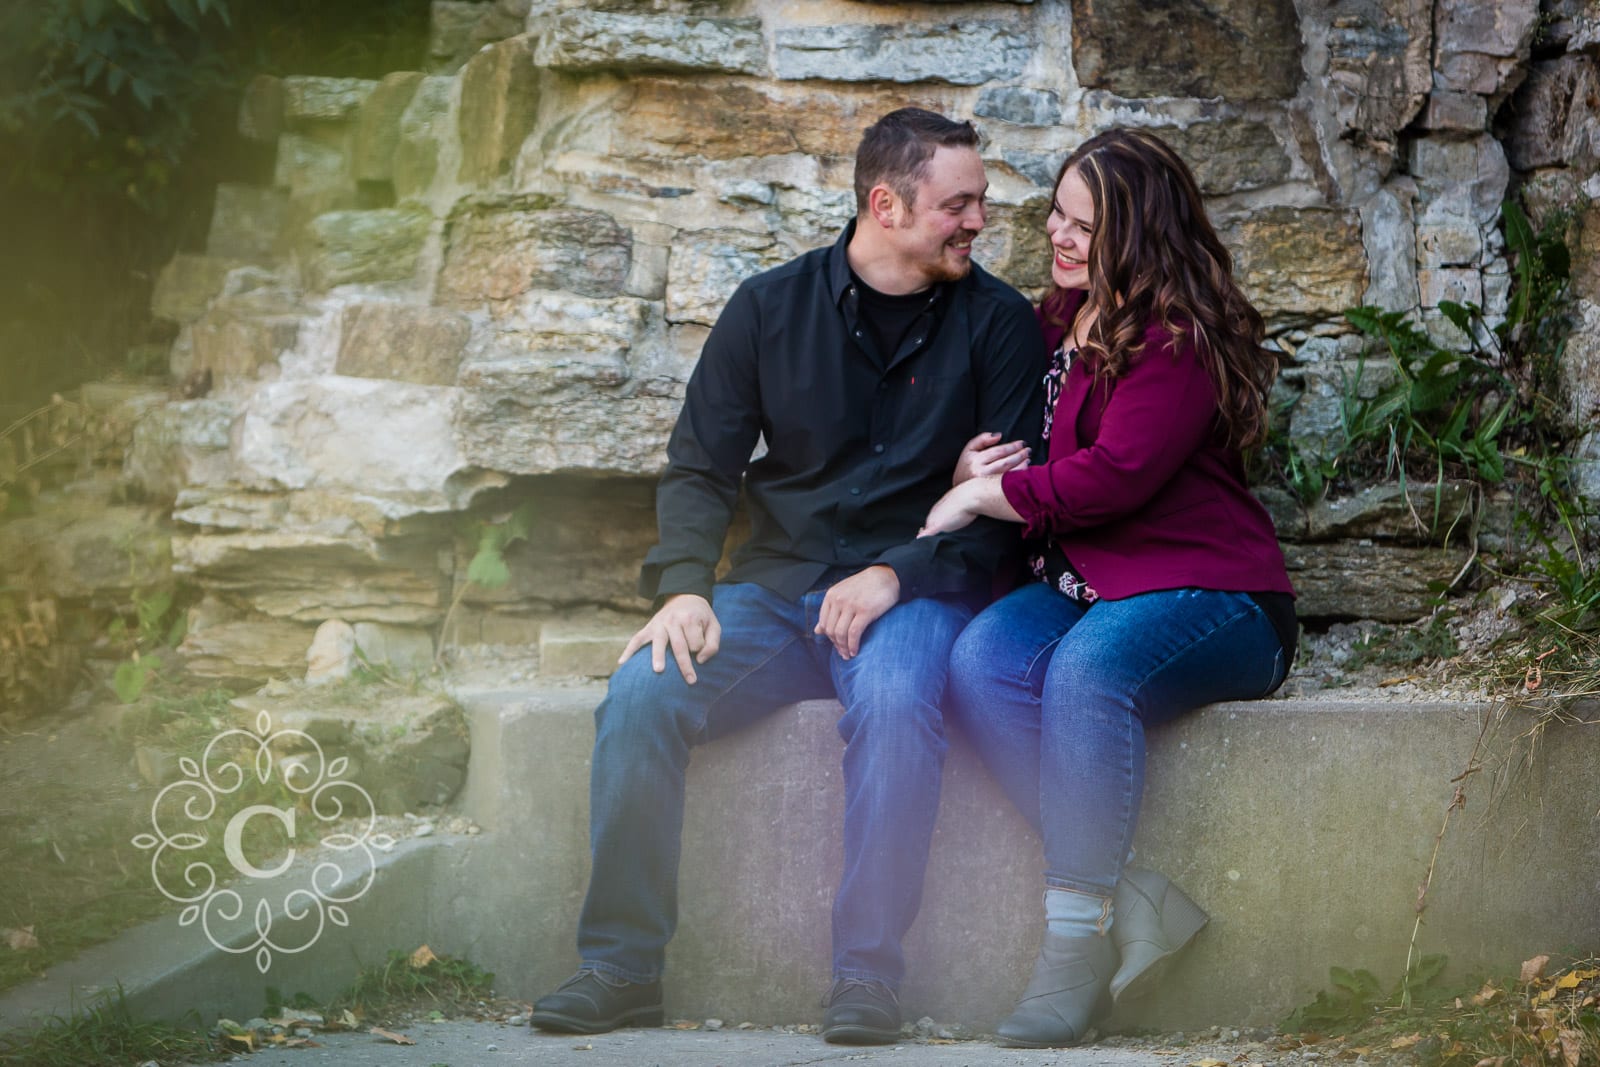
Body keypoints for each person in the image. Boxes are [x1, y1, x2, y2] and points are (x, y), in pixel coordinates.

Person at [529, 107, 1046, 1045]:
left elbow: (1010, 511)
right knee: (643, 691)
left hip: (914, 594)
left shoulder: (1002, 326)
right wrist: (685, 584)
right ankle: (620, 965)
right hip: (769, 589)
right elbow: (699, 464)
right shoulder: (768, 308)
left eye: (981, 202)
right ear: (885, 204)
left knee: (894, 704)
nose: (980, 221)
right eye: (958, 205)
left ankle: (866, 979)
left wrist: (897, 569)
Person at [918, 127, 1297, 1048]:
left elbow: (1112, 478)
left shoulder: (1174, 341)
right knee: (979, 662)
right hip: (1093, 585)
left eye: (1086, 225)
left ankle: (1072, 958)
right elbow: (1029, 440)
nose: (1062, 235)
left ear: (1139, 233)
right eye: (1058, 212)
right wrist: (978, 458)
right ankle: (1135, 897)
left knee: (1086, 673)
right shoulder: (1054, 321)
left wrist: (986, 495)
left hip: (1215, 596)